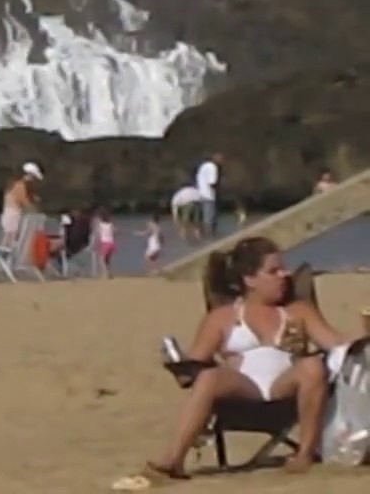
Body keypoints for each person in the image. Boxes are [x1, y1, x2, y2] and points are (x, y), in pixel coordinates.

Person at [138, 237, 350, 482]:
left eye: (284, 268)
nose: (284, 275)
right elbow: (194, 366)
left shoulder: (298, 311)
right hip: (244, 387)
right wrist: (182, 363)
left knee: (312, 366)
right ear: (250, 280)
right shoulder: (222, 317)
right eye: (273, 271)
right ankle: (173, 460)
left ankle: (305, 453)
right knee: (209, 377)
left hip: (286, 385)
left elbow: (337, 345)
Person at [0, 162, 42, 247]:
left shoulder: (17, 185)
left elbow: (22, 197)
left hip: (12, 213)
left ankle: (4, 255)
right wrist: (34, 209)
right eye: (33, 177)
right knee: (10, 236)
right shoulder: (20, 185)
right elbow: (22, 199)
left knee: (10, 236)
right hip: (12, 213)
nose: (33, 180)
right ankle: (5, 255)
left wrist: (32, 199)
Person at [195, 153, 223, 238]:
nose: (222, 161)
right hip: (208, 194)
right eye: (221, 159)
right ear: (216, 159)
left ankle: (201, 234)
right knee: (209, 216)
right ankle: (209, 235)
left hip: (200, 193)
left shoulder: (204, 166)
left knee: (204, 215)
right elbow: (212, 182)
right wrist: (219, 189)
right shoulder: (212, 167)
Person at [94, 209, 116, 279]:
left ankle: (105, 274)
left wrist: (96, 243)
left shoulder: (100, 225)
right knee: (107, 260)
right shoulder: (110, 224)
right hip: (111, 243)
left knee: (101, 259)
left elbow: (98, 234)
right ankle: (110, 273)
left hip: (104, 243)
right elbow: (115, 231)